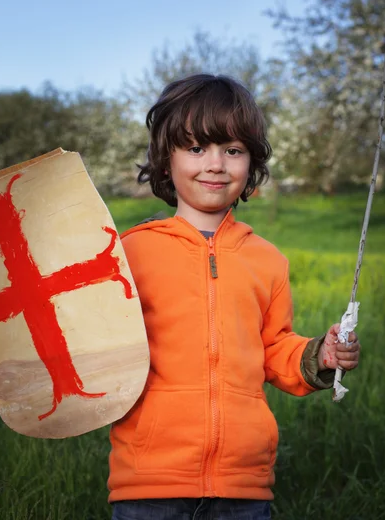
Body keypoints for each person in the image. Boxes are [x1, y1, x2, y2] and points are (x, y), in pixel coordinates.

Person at [108, 74, 360, 520]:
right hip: (148, 478)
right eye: (196, 148)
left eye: (233, 150)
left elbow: (274, 348)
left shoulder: (268, 260)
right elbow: (99, 347)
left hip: (243, 483)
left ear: (251, 164)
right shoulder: (129, 253)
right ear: (166, 160)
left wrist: (319, 355)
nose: (216, 164)